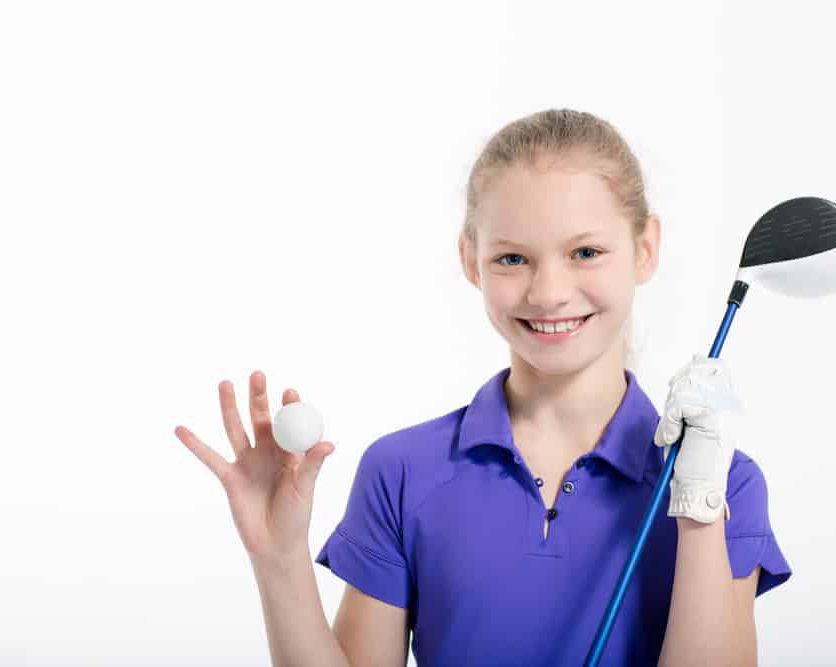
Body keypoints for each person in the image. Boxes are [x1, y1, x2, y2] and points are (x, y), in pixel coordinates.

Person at [174, 108, 793, 667]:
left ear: (645, 248)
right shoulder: (401, 472)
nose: (549, 292)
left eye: (585, 251)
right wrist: (278, 557)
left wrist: (698, 513)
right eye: (512, 259)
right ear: (471, 260)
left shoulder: (725, 485)